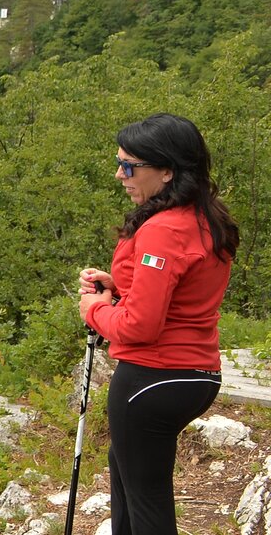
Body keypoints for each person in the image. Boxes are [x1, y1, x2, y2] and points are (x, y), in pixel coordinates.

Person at [78, 113, 239, 535]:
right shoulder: (207, 219)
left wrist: (94, 309)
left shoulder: (162, 230)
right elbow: (182, 297)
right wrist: (118, 289)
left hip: (151, 379)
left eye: (130, 166)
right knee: (129, 483)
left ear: (167, 170)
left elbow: (139, 328)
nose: (120, 175)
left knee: (146, 507)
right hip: (198, 375)